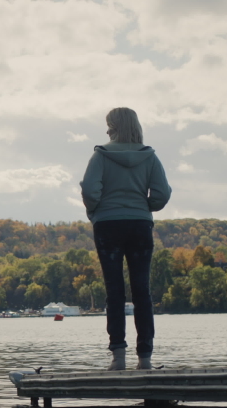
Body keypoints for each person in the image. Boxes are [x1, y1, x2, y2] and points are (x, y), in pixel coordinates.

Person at [80, 107, 171, 370]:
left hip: (108, 225)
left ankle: (118, 357)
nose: (106, 129)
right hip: (140, 225)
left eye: (108, 125)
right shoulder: (150, 157)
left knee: (114, 291)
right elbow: (161, 194)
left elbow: (89, 189)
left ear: (114, 127)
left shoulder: (100, 156)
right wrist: (146, 206)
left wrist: (95, 210)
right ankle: (145, 359)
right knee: (142, 291)